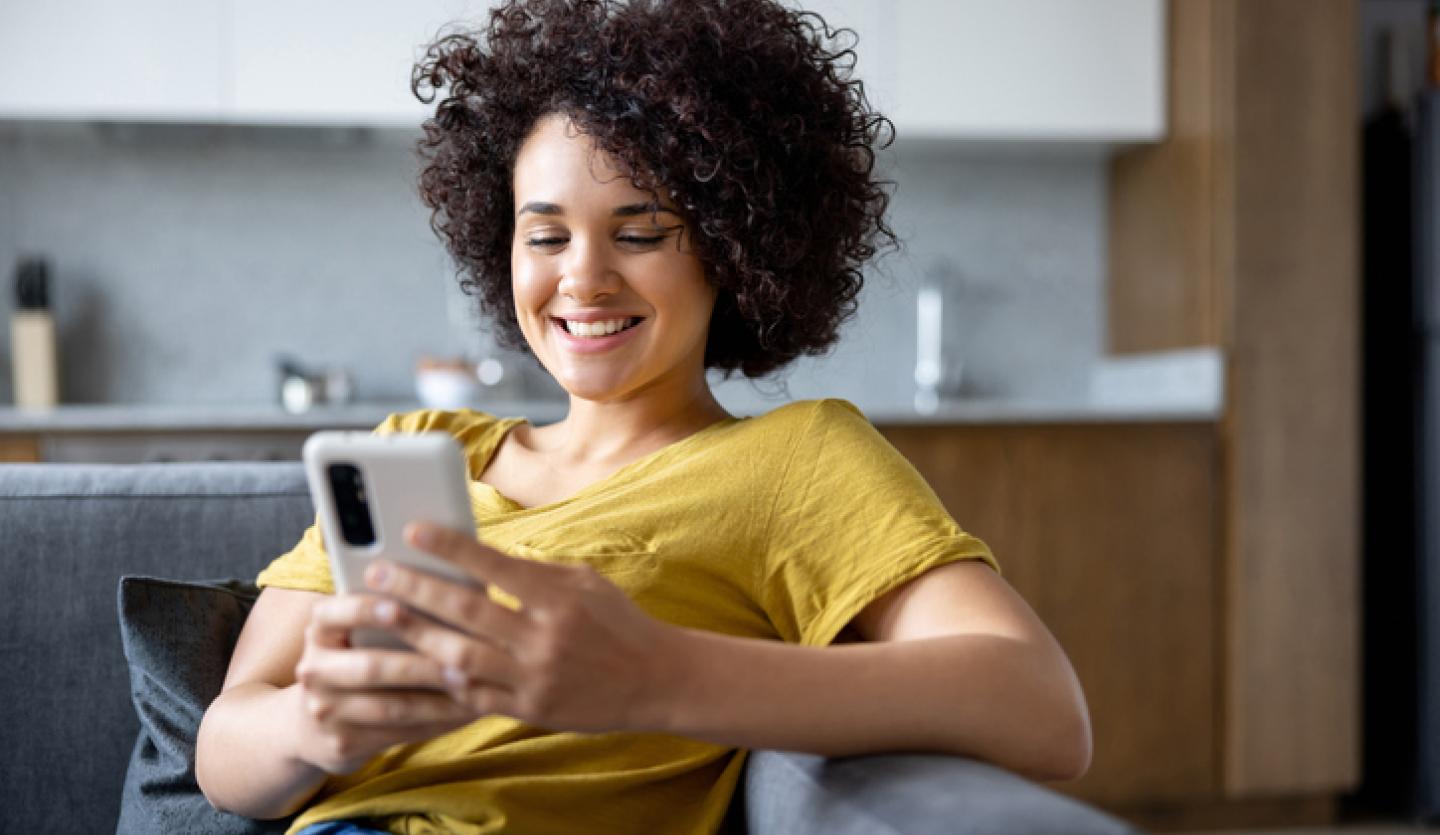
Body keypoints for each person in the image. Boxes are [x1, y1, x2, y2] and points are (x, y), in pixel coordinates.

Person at [195, 1, 1092, 833]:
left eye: (639, 231)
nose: (581, 279)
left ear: (732, 247)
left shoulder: (797, 458)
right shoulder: (418, 450)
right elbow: (224, 747)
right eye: (545, 236)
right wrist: (315, 725)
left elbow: (1043, 709)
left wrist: (657, 675)